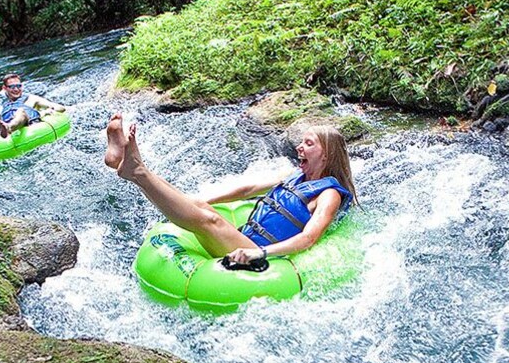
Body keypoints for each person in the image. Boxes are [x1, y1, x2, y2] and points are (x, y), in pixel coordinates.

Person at [104, 113, 356, 265]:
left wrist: (261, 254)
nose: (299, 147)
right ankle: (128, 167)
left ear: (326, 156)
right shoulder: (295, 177)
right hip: (245, 238)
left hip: (256, 252)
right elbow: (248, 188)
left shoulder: (328, 194)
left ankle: (136, 171)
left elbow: (309, 238)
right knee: (202, 207)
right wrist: (194, 200)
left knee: (211, 220)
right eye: (301, 142)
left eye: (308, 144)